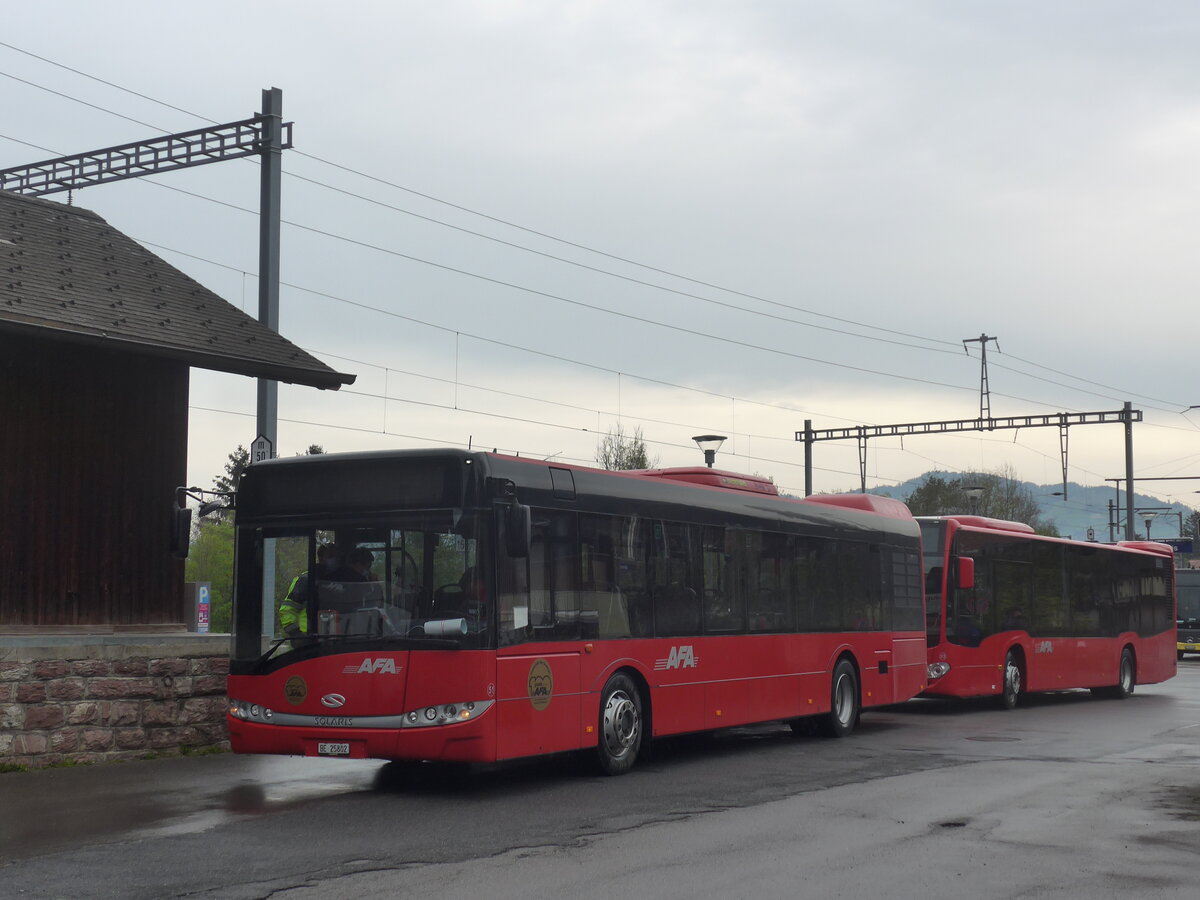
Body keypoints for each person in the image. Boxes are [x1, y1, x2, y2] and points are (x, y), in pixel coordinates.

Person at [279, 544, 338, 639]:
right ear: (321, 558)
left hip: (334, 640)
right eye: (330, 557)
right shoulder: (306, 580)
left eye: (336, 557)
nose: (334, 560)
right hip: (307, 641)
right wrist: (296, 634)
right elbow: (287, 610)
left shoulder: (340, 580)